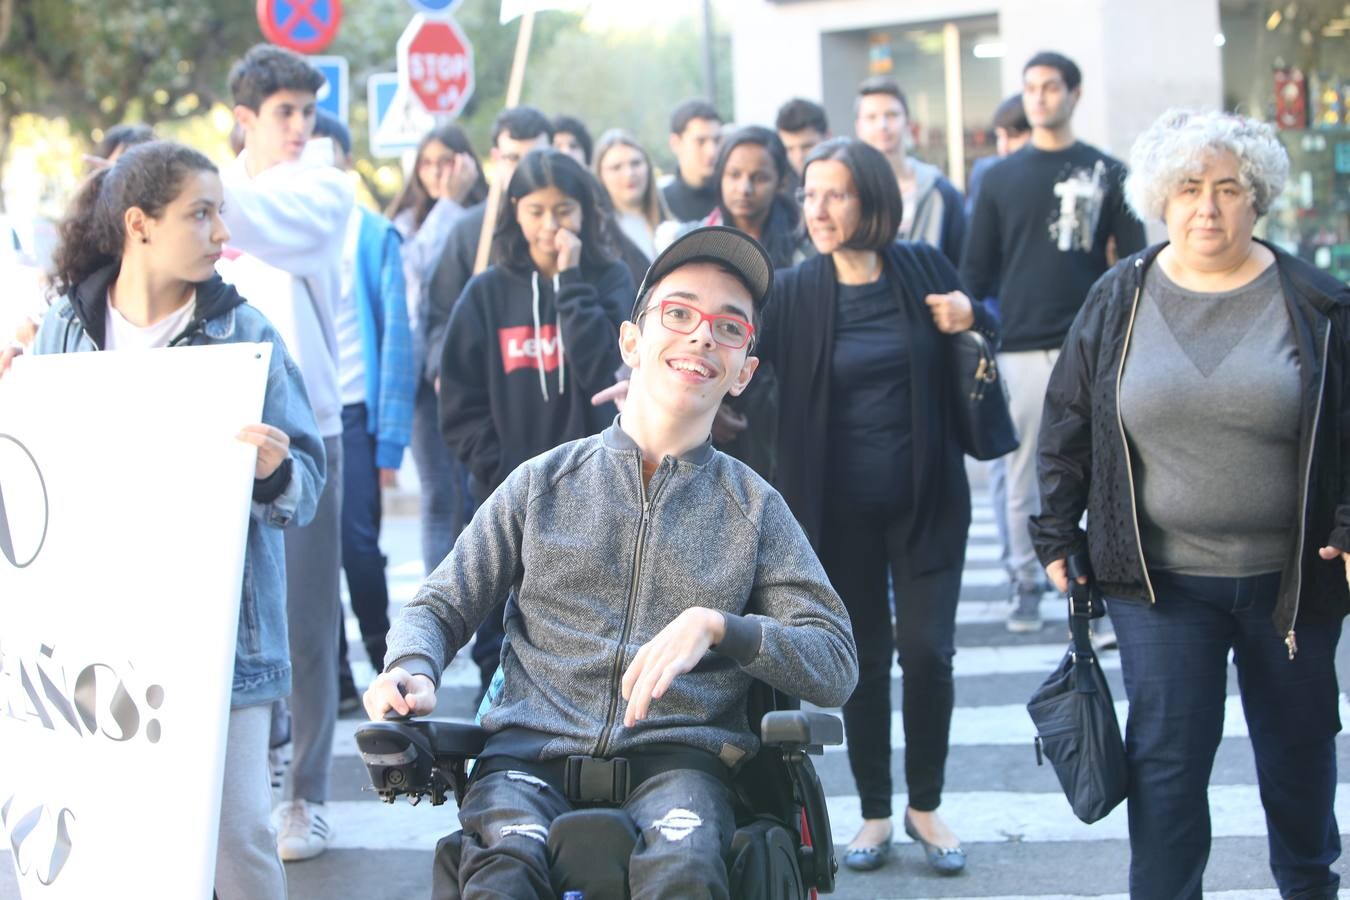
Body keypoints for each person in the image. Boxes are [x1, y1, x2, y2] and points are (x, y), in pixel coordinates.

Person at [365, 225, 858, 899]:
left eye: (728, 327)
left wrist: (722, 627)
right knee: (503, 875)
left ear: (744, 370)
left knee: (683, 874)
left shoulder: (755, 509)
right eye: (678, 314)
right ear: (631, 341)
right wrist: (409, 668)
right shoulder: (544, 482)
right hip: (527, 760)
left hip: (682, 765)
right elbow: (438, 605)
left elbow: (834, 660)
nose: (701, 337)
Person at [1032, 108, 1350, 900]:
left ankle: (1309, 887)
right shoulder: (1120, 296)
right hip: (1161, 583)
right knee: (1168, 767)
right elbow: (1068, 420)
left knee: (1301, 757)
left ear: (1259, 198)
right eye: (1187, 187)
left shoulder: (1316, 301)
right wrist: (1055, 535)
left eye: (1228, 187)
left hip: (1293, 581)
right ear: (1160, 200)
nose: (1207, 205)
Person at [1, 140, 325, 900]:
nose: (221, 233)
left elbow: (308, 485)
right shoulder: (65, 329)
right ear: (139, 224)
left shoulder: (247, 337)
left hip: (222, 647)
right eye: (201, 214)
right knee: (111, 835)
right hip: (94, 641)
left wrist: (275, 469)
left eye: (222, 214)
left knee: (236, 840)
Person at [759, 137, 995, 875]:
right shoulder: (795, 289)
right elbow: (751, 372)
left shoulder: (921, 265)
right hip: (837, 513)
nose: (817, 209)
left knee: (928, 653)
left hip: (927, 501)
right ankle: (873, 814)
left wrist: (972, 311)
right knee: (860, 661)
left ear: (870, 201)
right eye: (809, 193)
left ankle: (925, 805)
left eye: (835, 194)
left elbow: (988, 324)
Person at [216, 43, 354, 860]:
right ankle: (241, 780)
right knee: (230, 619)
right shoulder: (212, 191)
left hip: (308, 434)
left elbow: (252, 221)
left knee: (306, 623)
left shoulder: (324, 190)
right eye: (284, 113)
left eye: (308, 110)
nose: (301, 127)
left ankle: (305, 794)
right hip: (219, 429)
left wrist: (175, 183)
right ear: (245, 119)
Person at [961, 50, 1146, 633]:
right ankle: (1024, 583)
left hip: (1094, 348)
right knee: (1021, 479)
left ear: (1075, 93)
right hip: (1018, 350)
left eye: (1051, 86)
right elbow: (975, 274)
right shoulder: (997, 179)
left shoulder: (1109, 171)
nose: (1040, 96)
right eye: (1031, 87)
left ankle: (1098, 586)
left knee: (1103, 473)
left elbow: (1135, 264)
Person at [439, 148, 633, 698]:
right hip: (506, 496)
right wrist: (498, 466)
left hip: (597, 495)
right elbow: (458, 401)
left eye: (564, 210)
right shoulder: (486, 293)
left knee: (588, 644)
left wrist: (571, 282)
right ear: (515, 212)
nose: (551, 226)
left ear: (585, 213)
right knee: (494, 648)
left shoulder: (611, 279)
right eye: (537, 211)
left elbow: (605, 371)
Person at [311, 112, 416, 706]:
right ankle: (330, 679)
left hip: (352, 409)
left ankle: (383, 660)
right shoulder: (277, 234)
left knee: (357, 546)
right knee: (306, 556)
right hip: (294, 411)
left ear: (347, 161)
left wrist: (389, 442)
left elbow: (397, 340)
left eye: (329, 154)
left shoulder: (372, 234)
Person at [387, 124, 487, 579]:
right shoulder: (405, 225)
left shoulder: (491, 217)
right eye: (426, 163)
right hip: (424, 376)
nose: (436, 172)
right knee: (437, 493)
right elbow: (419, 280)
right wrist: (448, 205)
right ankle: (434, 618)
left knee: (477, 493)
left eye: (446, 160)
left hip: (480, 373)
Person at [964, 93, 1032, 592]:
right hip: (1006, 338)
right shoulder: (991, 179)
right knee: (1012, 466)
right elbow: (977, 271)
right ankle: (1019, 572)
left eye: (1016, 134)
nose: (1008, 146)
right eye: (1004, 135)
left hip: (1050, 335)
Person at [853, 77, 965, 265]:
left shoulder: (940, 192)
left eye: (892, 115)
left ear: (907, 123)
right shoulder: (847, 193)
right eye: (871, 117)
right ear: (858, 127)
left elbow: (961, 262)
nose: (883, 125)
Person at [594, 128, 670, 263]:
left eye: (636, 163)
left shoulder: (670, 216)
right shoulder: (598, 233)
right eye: (616, 167)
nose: (629, 173)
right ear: (601, 176)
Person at [660, 99, 722, 223]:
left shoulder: (734, 200)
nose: (712, 151)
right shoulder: (658, 204)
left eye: (716, 140)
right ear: (675, 143)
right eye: (701, 141)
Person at [775, 97, 830, 178]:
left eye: (807, 146)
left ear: (828, 138)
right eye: (789, 149)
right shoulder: (781, 184)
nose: (799, 157)